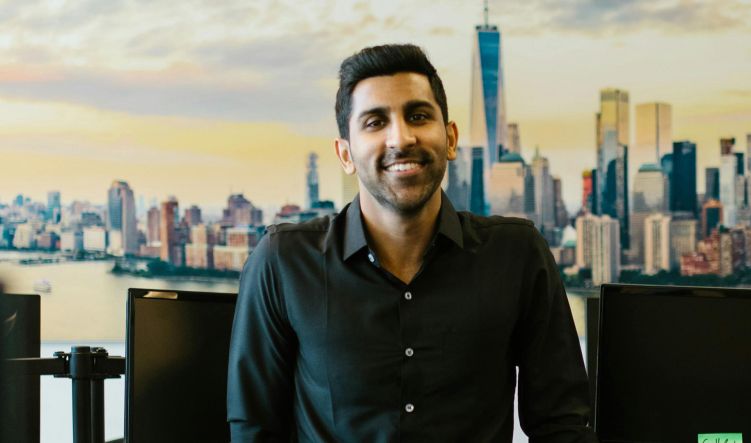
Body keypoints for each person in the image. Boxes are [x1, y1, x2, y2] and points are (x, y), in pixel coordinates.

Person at [227, 44, 596, 442]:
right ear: (346, 154)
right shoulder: (283, 262)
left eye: (418, 116)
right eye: (374, 122)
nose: (401, 138)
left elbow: (562, 424)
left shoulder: (517, 254)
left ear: (450, 138)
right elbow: (254, 429)